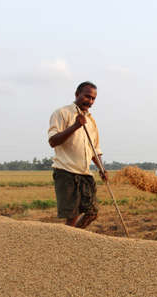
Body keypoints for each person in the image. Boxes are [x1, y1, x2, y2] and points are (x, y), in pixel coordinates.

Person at [48, 81, 107, 229]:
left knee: (92, 212)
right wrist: (75, 126)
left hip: (85, 173)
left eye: (93, 98)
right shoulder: (62, 113)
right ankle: (67, 243)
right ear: (77, 94)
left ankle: (74, 238)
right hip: (66, 171)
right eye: (87, 96)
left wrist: (101, 168)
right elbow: (53, 141)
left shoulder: (91, 121)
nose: (90, 101)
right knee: (72, 216)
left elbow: (95, 150)